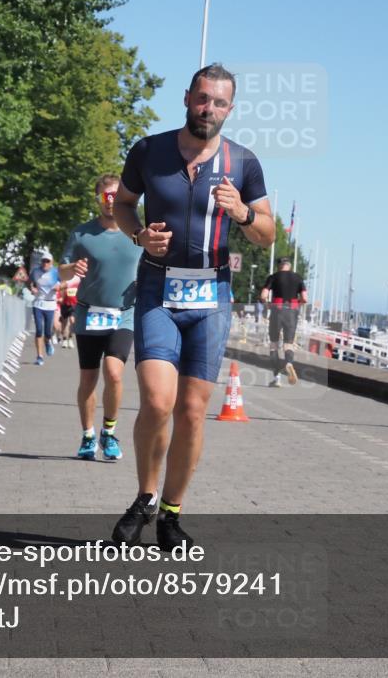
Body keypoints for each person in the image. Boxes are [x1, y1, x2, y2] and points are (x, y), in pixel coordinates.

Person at [111, 64, 274, 550]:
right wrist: (139, 234)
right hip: (158, 290)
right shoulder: (149, 150)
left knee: (192, 411)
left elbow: (267, 233)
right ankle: (144, 496)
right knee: (158, 402)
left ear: (231, 108)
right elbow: (122, 204)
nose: (209, 110)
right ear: (187, 98)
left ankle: (171, 513)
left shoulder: (243, 163)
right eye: (203, 99)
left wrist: (243, 212)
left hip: (212, 296)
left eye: (219, 103)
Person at [60, 174, 142, 462]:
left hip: (124, 314)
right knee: (88, 378)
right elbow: (62, 272)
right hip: (89, 313)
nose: (111, 202)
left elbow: (154, 265)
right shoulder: (82, 234)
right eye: (106, 196)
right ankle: (87, 436)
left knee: (115, 372)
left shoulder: (137, 233)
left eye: (116, 196)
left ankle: (109, 432)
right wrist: (73, 267)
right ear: (98, 199)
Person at [260, 258, 308, 387]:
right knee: (288, 344)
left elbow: (263, 295)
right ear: (289, 266)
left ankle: (277, 378)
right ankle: (289, 363)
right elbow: (304, 298)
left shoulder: (273, 277)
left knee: (274, 344)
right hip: (292, 312)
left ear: (279, 266)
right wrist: (296, 304)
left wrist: (268, 305)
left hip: (277, 310)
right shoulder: (298, 278)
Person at [29, 251, 59, 365]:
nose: (45, 263)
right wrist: (32, 288)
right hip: (38, 303)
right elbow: (29, 282)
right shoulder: (36, 271)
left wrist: (59, 286)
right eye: (43, 261)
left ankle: (47, 342)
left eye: (47, 261)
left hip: (50, 303)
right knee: (39, 330)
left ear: (51, 263)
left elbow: (65, 283)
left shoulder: (56, 272)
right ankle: (39, 356)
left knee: (47, 332)